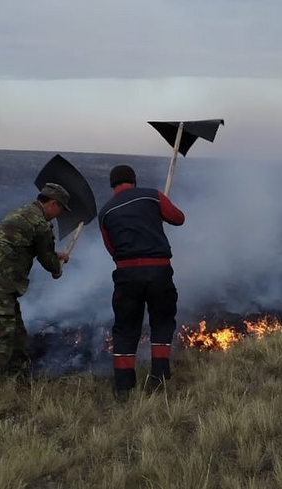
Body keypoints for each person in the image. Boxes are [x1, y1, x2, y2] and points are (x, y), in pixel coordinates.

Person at [0, 183, 71, 392]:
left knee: (17, 337)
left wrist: (55, 256)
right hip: (0, 285)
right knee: (1, 342)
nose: (58, 215)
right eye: (60, 209)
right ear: (53, 203)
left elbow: (32, 247)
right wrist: (57, 267)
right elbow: (49, 263)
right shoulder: (41, 225)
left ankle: (21, 386)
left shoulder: (21, 212)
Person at [98, 165, 185, 400]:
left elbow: (111, 249)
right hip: (159, 271)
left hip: (127, 275)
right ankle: (159, 378)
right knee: (162, 322)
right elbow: (179, 219)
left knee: (126, 328)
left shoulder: (105, 212)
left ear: (112, 184)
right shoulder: (152, 195)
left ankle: (124, 389)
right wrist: (160, 209)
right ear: (134, 180)